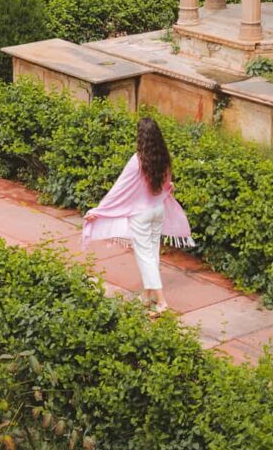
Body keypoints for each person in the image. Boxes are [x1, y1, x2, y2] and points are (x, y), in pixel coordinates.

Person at [82, 117, 194, 316]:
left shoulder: (138, 160)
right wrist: (168, 189)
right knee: (152, 253)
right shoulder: (164, 157)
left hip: (141, 215)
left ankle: (161, 302)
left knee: (145, 256)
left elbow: (119, 188)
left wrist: (99, 210)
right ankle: (147, 296)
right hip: (158, 210)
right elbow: (167, 183)